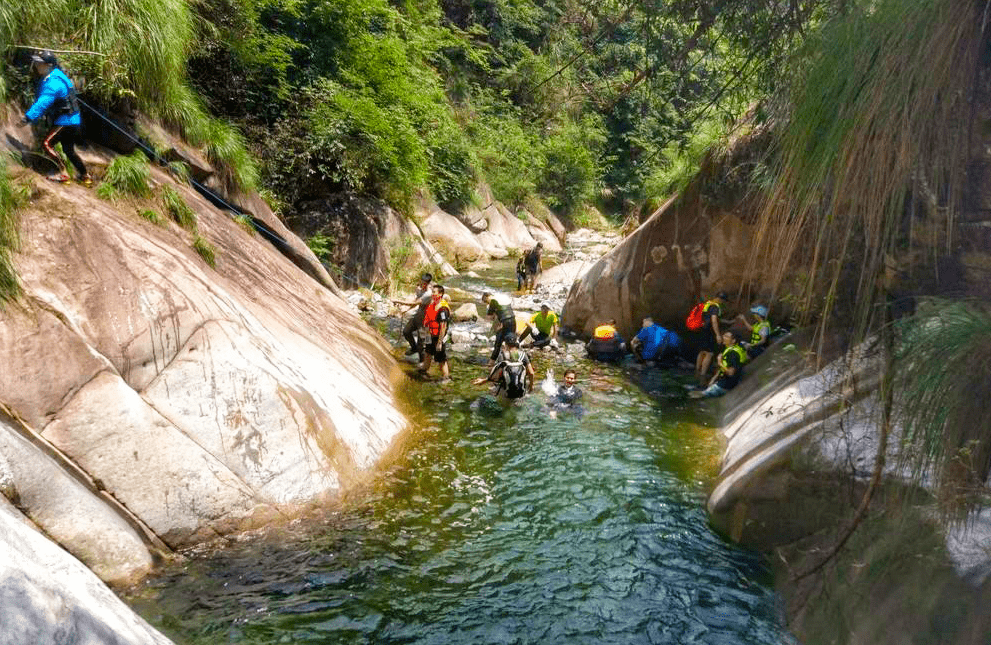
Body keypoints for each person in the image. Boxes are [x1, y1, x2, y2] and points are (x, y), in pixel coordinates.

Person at [19, 51, 91, 186]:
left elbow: (42, 103)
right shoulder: (58, 75)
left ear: (49, 65)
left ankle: (63, 174)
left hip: (66, 121)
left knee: (46, 144)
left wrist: (27, 118)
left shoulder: (53, 84)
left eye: (40, 63)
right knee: (68, 150)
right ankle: (85, 176)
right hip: (73, 120)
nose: (37, 65)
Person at [472, 333, 534, 399]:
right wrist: (531, 387)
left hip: (506, 392)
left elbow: (496, 376)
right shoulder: (523, 354)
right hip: (521, 392)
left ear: (505, 343)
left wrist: (485, 380)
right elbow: (531, 373)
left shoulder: (502, 355)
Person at [690, 330, 746, 398]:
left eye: (726, 336)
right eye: (724, 335)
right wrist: (713, 379)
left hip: (726, 385)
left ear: (733, 341)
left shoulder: (732, 353)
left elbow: (731, 373)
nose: (723, 337)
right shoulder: (736, 348)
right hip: (724, 380)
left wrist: (719, 362)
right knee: (698, 389)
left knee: (694, 395)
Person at [394, 272, 433, 358]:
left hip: (426, 321)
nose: (421, 284)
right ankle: (413, 348)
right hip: (418, 316)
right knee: (406, 331)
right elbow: (415, 303)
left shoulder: (428, 294)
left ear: (428, 284)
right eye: (421, 282)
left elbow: (415, 302)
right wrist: (406, 310)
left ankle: (423, 366)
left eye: (424, 283)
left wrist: (398, 301)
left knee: (422, 344)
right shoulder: (421, 290)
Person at [695, 292, 729, 386]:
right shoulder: (715, 307)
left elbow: (711, 318)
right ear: (720, 299)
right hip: (709, 331)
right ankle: (703, 375)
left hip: (701, 329)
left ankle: (697, 371)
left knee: (701, 352)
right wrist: (718, 334)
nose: (723, 303)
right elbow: (714, 320)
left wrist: (729, 321)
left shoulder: (707, 304)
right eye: (723, 301)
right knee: (709, 353)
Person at [419, 284, 451, 381]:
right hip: (430, 334)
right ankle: (424, 369)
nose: (432, 294)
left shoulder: (443, 309)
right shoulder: (432, 305)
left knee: (441, 359)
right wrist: (425, 335)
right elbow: (428, 321)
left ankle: (446, 378)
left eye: (434, 292)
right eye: (432, 292)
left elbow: (443, 327)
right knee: (428, 353)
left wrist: (440, 342)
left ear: (440, 294)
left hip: (439, 337)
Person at [482, 291, 517, 364]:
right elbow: (504, 311)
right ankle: (515, 360)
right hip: (513, 321)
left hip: (505, 322)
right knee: (511, 342)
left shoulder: (493, 301)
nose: (487, 303)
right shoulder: (501, 298)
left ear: (486, 297)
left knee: (498, 344)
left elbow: (490, 317)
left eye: (486, 302)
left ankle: (491, 363)